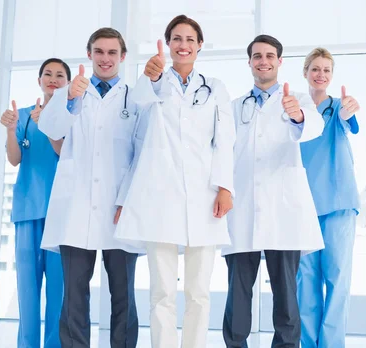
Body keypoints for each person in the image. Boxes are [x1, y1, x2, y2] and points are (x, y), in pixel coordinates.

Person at [114, 14, 235, 348]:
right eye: (177, 39)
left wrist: (225, 186)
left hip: (204, 197)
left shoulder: (215, 88)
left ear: (199, 46)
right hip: (160, 197)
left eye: (189, 39)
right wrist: (150, 78)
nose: (183, 45)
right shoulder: (152, 83)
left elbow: (225, 140)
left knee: (198, 292)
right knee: (162, 291)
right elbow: (137, 108)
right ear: (168, 45)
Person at [38, 28, 143, 347]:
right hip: (77, 207)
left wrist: (128, 199)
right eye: (99, 51)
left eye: (112, 53)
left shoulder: (135, 98)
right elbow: (50, 128)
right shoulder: (70, 92)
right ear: (89, 55)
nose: (106, 58)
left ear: (123, 57)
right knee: (74, 297)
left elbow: (141, 153)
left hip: (118, 208)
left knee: (124, 296)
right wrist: (68, 99)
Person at [221, 34, 325, 348]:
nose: (263, 61)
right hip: (243, 207)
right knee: (238, 290)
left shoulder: (298, 101)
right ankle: (236, 344)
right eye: (257, 56)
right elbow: (222, 151)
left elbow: (314, 127)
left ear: (279, 62)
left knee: (286, 292)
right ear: (250, 62)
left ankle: (287, 345)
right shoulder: (235, 106)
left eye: (269, 56)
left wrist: (298, 115)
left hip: (284, 210)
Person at [0, 57, 70, 348]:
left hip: (61, 213)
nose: (53, 79)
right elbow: (15, 159)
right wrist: (10, 129)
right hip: (28, 210)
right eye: (47, 74)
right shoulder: (24, 116)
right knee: (27, 291)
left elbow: (65, 153)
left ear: (67, 82)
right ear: (39, 80)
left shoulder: (72, 115)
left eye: (59, 75)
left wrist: (50, 124)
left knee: (59, 292)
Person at [296, 47, 361, 348]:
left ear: (332, 76)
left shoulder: (339, 108)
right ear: (306, 71)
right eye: (316, 68)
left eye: (327, 70)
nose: (321, 74)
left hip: (338, 204)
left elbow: (350, 124)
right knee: (305, 283)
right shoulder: (296, 109)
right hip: (302, 205)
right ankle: (308, 344)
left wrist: (348, 112)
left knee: (336, 280)